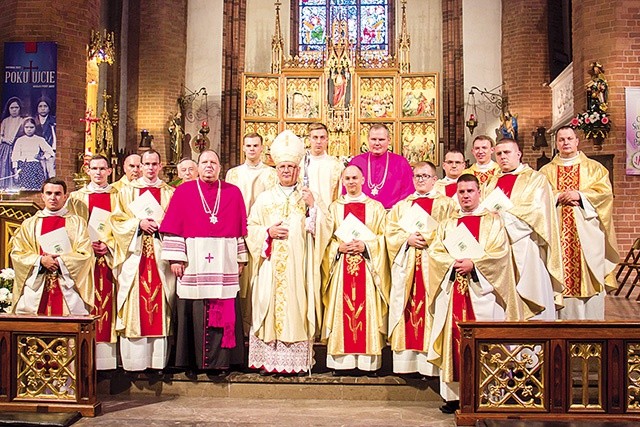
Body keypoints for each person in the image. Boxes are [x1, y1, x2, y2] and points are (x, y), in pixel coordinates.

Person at [427, 174, 531, 413]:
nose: (465, 196)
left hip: (483, 292)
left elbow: (500, 254)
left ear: (479, 193)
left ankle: (489, 391)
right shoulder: (447, 223)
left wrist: (474, 265)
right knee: (454, 337)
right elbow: (436, 253)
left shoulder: (493, 222)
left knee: (485, 337)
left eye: (470, 191)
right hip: (455, 289)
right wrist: (451, 263)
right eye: (461, 192)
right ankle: (454, 396)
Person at [246, 130, 329, 375]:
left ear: (298, 169)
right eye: (282, 166)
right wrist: (267, 232)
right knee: (266, 306)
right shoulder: (264, 198)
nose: (286, 171)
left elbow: (325, 226)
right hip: (270, 266)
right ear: (276, 168)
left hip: (298, 266)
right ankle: (268, 361)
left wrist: (314, 207)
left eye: (291, 167)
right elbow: (251, 228)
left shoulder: (307, 197)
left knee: (296, 307)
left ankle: (294, 363)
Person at [160, 149, 248, 373]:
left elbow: (239, 230)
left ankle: (223, 361)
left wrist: (240, 258)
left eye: (214, 162)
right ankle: (192, 360)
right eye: (205, 162)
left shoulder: (233, 192)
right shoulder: (183, 191)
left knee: (224, 304)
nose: (209, 166)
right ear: (198, 167)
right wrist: (176, 258)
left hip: (224, 259)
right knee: (194, 307)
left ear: (220, 167)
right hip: (194, 260)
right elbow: (173, 228)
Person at [539, 126, 619, 320]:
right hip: (558, 235)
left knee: (590, 278)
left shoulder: (594, 169)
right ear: (556, 143)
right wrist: (558, 197)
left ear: (577, 141)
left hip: (587, 235)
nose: (565, 142)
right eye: (561, 139)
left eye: (569, 138)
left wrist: (580, 196)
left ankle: (593, 330)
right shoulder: (545, 172)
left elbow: (605, 195)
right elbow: (538, 198)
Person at [386, 161, 456, 376]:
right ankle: (407, 364)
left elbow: (452, 231)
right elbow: (389, 232)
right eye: (417, 176)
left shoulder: (447, 205)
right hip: (407, 265)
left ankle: (430, 365)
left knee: (432, 309)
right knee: (406, 308)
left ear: (435, 180)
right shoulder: (402, 205)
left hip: (433, 266)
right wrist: (406, 239)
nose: (420, 180)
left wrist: (429, 238)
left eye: (425, 176)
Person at [109, 149, 175, 371]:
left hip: (160, 255)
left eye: (154, 164)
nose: (149, 168)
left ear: (160, 166)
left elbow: (176, 222)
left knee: (161, 303)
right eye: (146, 164)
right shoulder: (126, 192)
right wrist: (138, 224)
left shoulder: (169, 192)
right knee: (134, 301)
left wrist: (161, 225)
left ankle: (157, 362)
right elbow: (116, 220)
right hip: (135, 255)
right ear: (141, 165)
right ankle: (134, 363)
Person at [484, 139, 563, 320]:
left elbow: (537, 211)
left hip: (526, 246)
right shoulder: (490, 182)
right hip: (498, 250)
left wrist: (502, 217)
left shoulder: (536, 179)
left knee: (531, 291)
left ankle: (534, 346)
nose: (503, 157)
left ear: (518, 154)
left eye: (507, 152)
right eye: (499, 153)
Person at [321, 165, 389, 374]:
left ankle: (368, 363)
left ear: (363, 180)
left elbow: (384, 238)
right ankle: (342, 363)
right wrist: (337, 247)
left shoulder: (376, 207)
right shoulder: (334, 208)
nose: (351, 182)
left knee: (366, 310)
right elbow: (326, 239)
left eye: (355, 178)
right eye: (347, 178)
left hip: (367, 269)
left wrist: (367, 246)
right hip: (341, 267)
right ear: (342, 181)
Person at [10, 177, 93, 316]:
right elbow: (18, 253)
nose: (53, 197)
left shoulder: (77, 223)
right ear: (42, 196)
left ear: (65, 197)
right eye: (49, 193)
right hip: (37, 286)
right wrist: (40, 261)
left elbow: (85, 253)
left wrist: (60, 261)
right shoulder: (30, 224)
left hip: (67, 286)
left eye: (58, 194)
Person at [66, 155, 119, 369]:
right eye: (94, 168)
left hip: (111, 258)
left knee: (111, 303)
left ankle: (109, 361)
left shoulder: (119, 196)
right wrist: (87, 247)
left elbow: (125, 226)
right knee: (88, 302)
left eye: (102, 168)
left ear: (109, 170)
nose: (98, 172)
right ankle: (86, 357)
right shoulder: (76, 198)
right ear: (87, 170)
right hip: (86, 261)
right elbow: (69, 230)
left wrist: (109, 244)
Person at [225, 132, 277, 333]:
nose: (252, 149)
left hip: (262, 233)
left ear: (262, 148)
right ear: (243, 148)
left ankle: (257, 324)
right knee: (240, 280)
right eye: (249, 145)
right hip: (238, 231)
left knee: (259, 280)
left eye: (256, 145)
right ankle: (240, 328)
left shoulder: (271, 174)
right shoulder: (234, 174)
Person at [348, 124, 413, 209]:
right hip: (362, 214)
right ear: (368, 139)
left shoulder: (400, 162)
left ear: (389, 140)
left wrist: (396, 212)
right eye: (373, 139)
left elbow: (408, 192)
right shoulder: (356, 162)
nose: (377, 143)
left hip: (391, 215)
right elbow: (347, 189)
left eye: (381, 139)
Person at [299, 123, 344, 210]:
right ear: (309, 140)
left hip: (328, 215)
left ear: (327, 140)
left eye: (322, 138)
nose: (319, 141)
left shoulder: (336, 165)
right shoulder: (300, 164)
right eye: (315, 137)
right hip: (305, 215)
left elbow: (340, 194)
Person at [11, 117, 55, 191]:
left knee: (36, 189)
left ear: (35, 127)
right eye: (27, 127)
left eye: (31, 127)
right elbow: (15, 156)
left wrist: (42, 157)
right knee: (23, 189)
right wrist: (15, 171)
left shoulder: (39, 139)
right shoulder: (20, 140)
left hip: (35, 167)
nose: (29, 129)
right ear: (23, 128)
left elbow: (50, 152)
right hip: (23, 167)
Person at [0, 97, 24, 187]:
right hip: (5, 148)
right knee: (5, 167)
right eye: (12, 108)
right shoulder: (5, 121)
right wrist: (5, 139)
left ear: (20, 108)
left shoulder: (22, 121)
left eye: (16, 107)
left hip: (18, 147)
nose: (14, 110)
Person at [34, 96, 56, 179]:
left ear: (49, 108)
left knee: (51, 174)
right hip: (37, 153)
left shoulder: (53, 121)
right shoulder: (33, 121)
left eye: (45, 106)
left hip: (50, 152)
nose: (43, 108)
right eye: (40, 106)